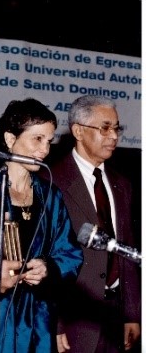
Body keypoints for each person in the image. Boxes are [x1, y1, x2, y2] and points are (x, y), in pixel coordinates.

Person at [0, 98, 84, 352]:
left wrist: (48, 268)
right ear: (9, 139)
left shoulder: (50, 194)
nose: (44, 150)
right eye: (36, 139)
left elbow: (69, 252)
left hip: (38, 317)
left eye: (48, 141)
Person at [50, 95, 141, 352]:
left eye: (116, 128)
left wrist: (133, 314)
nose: (113, 136)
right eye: (105, 127)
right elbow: (47, 257)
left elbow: (127, 252)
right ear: (78, 131)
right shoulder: (52, 180)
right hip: (74, 321)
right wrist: (56, 324)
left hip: (115, 317)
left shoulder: (122, 184)